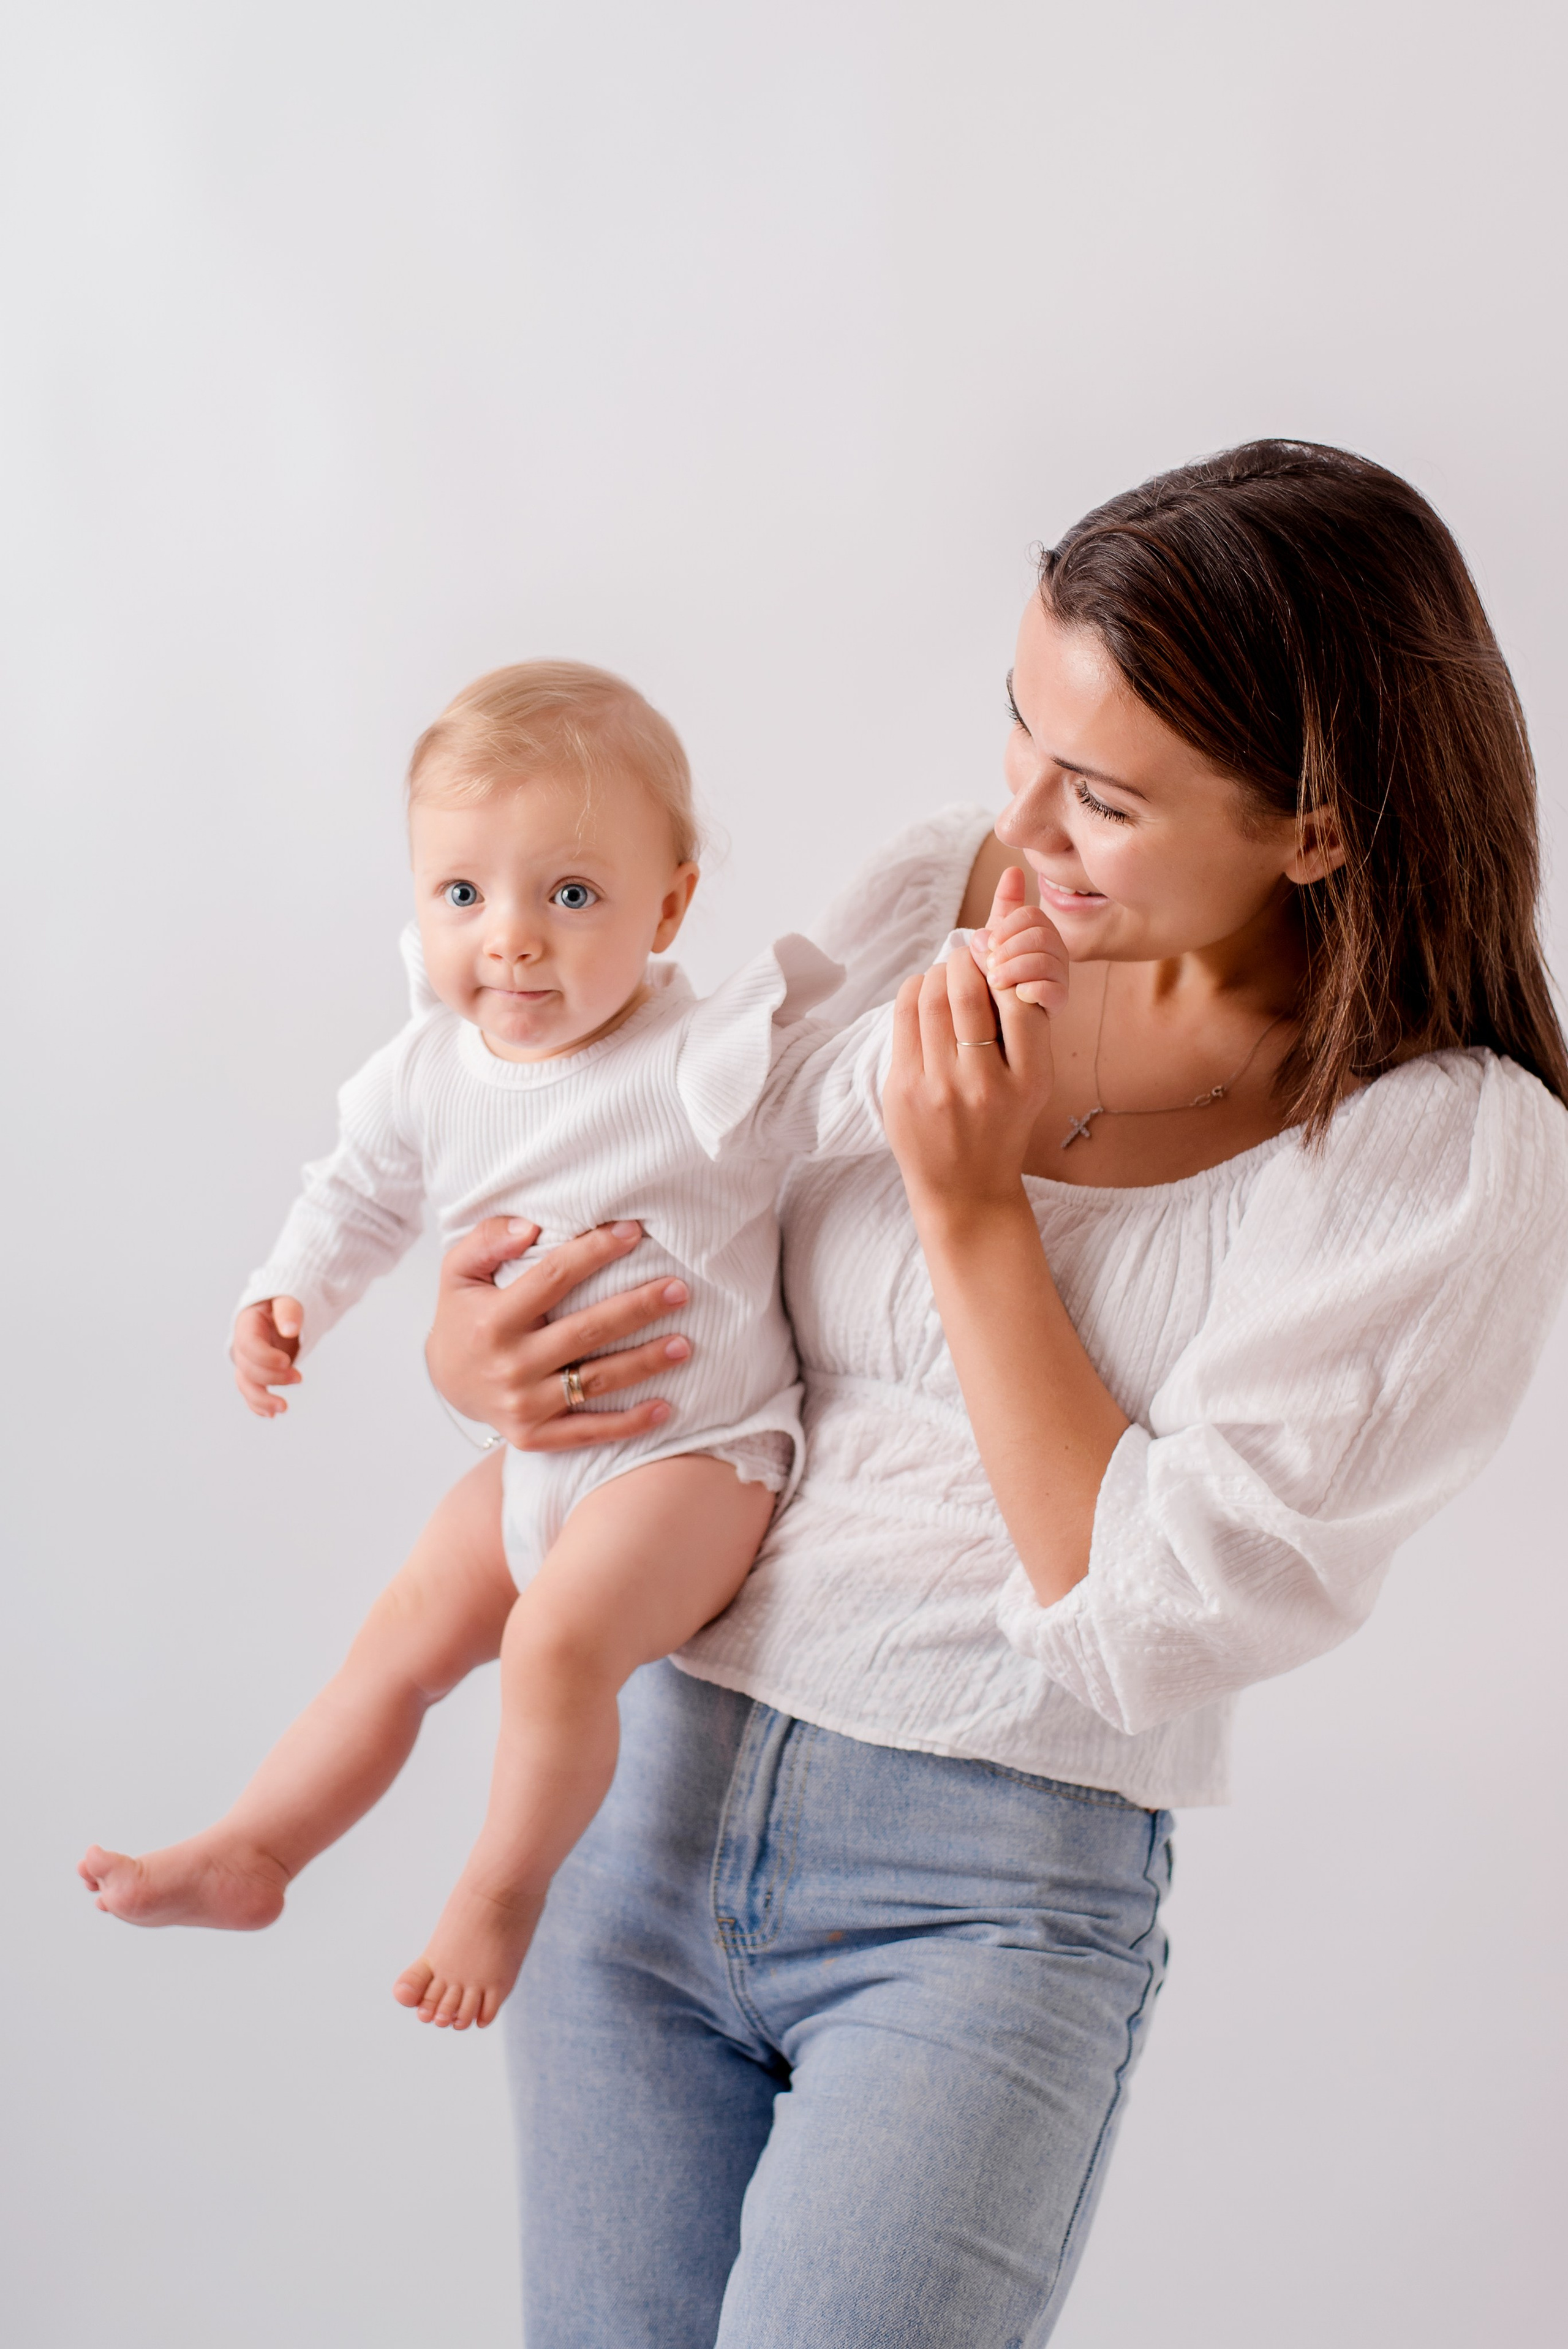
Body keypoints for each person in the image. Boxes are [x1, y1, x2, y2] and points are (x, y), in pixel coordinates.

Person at [423, 442, 1568, 2346]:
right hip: (641, 1797)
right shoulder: (931, 894)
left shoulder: (1440, 1151)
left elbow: (1148, 1621)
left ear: (1320, 829)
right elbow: (678, 1221)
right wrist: (490, 1358)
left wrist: (972, 1211)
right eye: (1020, 736)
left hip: (981, 1896)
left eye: (1103, 797)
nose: (1019, 822)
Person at [78, 660, 1051, 2031]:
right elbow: (357, 1188)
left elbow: (859, 1083)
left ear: (669, 905)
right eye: (462, 896)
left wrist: (977, 992)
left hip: (698, 1461)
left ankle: (503, 1888)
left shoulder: (696, 1059)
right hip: (529, 1463)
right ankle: (258, 1848)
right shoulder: (427, 1069)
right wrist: (287, 1291)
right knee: (398, 1642)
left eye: (570, 896)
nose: (512, 941)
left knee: (550, 1650)